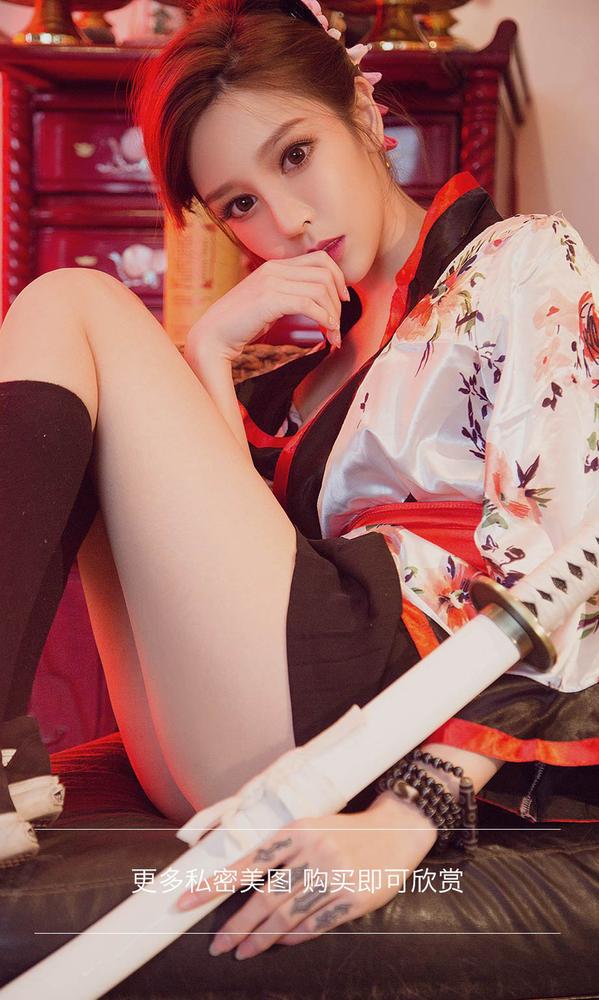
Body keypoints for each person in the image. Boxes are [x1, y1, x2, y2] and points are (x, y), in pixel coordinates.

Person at [0, 0, 597, 961]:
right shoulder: (305, 378)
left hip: (384, 705)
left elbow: (574, 559)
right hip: (236, 731)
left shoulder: (522, 258)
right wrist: (208, 350)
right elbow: (209, 570)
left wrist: (415, 811)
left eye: (294, 154)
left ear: (362, 113)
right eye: (238, 204)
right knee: (79, 341)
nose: (285, 222)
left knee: (71, 297)